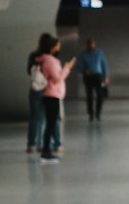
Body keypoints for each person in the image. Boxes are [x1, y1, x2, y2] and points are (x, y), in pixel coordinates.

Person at [37, 33, 74, 163]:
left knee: (51, 124)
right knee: (51, 124)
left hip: (51, 95)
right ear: (52, 47)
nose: (59, 48)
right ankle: (46, 152)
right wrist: (67, 68)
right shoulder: (50, 61)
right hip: (51, 95)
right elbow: (57, 78)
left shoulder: (46, 60)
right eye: (57, 46)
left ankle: (47, 150)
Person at [77, 37, 110, 121]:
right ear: (87, 45)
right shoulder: (83, 55)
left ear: (94, 44)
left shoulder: (99, 53)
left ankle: (98, 113)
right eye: (89, 44)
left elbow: (104, 65)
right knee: (89, 96)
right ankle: (91, 114)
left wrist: (106, 76)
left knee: (100, 95)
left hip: (98, 76)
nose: (91, 45)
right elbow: (79, 67)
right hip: (88, 77)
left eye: (92, 43)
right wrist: (84, 70)